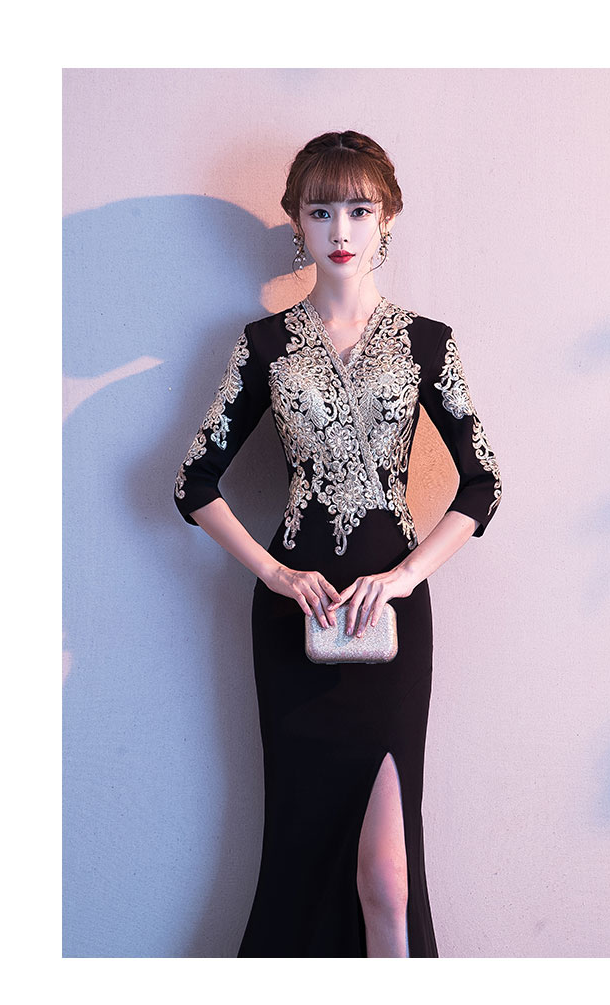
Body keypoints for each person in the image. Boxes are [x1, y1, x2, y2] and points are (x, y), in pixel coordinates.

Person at [174, 130, 502, 958]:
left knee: (388, 879)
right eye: (321, 211)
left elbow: (483, 483)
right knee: (300, 849)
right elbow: (193, 482)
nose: (341, 229)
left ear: (388, 217)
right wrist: (276, 574)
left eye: (359, 209)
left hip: (390, 624)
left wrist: (404, 577)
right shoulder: (264, 344)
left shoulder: (428, 342)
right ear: (297, 223)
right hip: (297, 626)